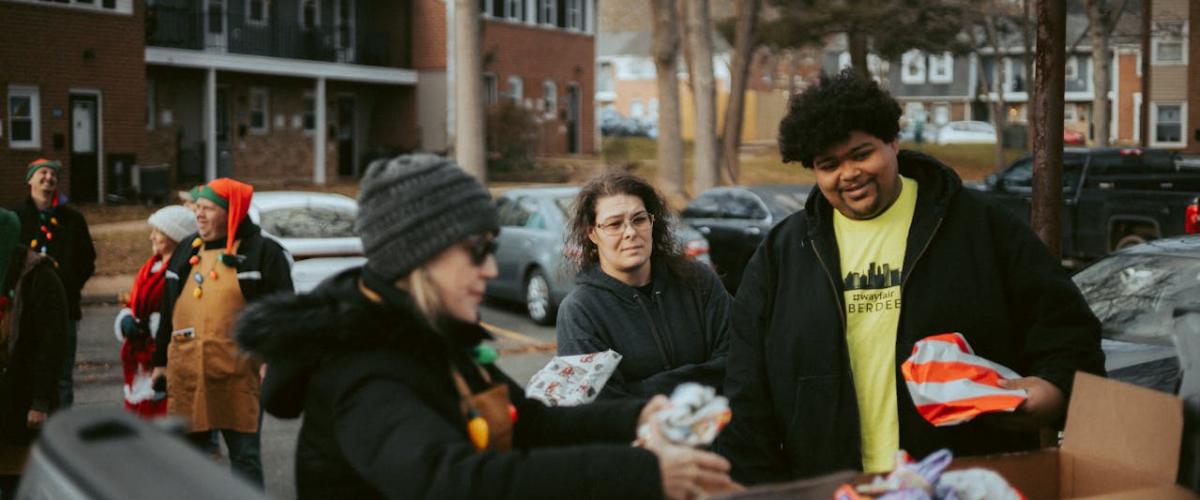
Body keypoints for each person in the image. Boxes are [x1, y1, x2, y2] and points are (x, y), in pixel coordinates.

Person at [235, 154, 734, 499]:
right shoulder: (364, 366)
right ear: (420, 258)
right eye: (476, 252)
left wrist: (639, 416)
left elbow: (527, 423)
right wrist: (641, 474)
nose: (491, 271)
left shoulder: (434, 336)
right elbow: (453, 483)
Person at [717, 69, 1105, 484]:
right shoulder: (782, 254)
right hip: (831, 487)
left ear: (893, 142)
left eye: (861, 154)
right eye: (828, 164)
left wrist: (1051, 392)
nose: (848, 174)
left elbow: (1067, 333)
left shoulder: (979, 227)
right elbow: (747, 390)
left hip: (958, 483)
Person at [151, 178, 293, 488]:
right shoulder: (187, 248)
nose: (198, 215)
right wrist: (160, 359)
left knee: (244, 458)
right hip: (189, 371)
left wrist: (274, 356)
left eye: (208, 209)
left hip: (240, 374)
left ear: (232, 213)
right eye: (197, 208)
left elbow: (283, 312)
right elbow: (168, 310)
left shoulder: (263, 252)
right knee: (193, 458)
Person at [556, 171, 731, 399]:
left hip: (717, 429)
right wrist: (700, 380)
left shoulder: (698, 280)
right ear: (592, 233)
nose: (630, 232)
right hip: (631, 435)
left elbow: (738, 358)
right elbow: (601, 403)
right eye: (614, 224)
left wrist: (640, 390)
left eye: (639, 219)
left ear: (652, 221)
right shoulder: (579, 311)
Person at [12, 158, 96, 408]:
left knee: (62, 374)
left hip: (64, 309)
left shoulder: (72, 219)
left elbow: (87, 259)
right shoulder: (16, 218)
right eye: (43, 173)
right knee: (23, 367)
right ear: (30, 180)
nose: (49, 178)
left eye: (54, 175)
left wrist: (68, 288)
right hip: (23, 308)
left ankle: (62, 430)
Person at [0, 208, 68, 499]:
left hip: (22, 400)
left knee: (21, 484)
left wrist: (40, 401)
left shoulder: (39, 277)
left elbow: (51, 345)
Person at [113, 205, 197, 419]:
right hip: (140, 358)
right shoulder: (150, 267)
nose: (151, 237)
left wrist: (153, 326)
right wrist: (127, 320)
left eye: (158, 232)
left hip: (162, 357)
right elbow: (133, 303)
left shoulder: (182, 270)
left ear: (174, 236)